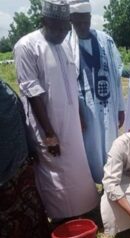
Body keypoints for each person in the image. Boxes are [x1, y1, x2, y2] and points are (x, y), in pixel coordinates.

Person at [13, 0, 98, 221]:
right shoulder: (27, 46)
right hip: (48, 124)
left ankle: (87, 210)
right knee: (56, 172)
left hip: (71, 122)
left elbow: (72, 84)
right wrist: (49, 134)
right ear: (44, 21)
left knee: (78, 167)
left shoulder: (65, 45)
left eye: (65, 27)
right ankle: (64, 220)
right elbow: (32, 91)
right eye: (56, 27)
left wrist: (79, 114)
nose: (61, 32)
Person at [68, 0, 125, 184]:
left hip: (108, 107)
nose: (83, 26)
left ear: (91, 18)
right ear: (71, 20)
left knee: (110, 146)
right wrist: (76, 114)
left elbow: (117, 73)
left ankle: (111, 184)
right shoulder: (67, 45)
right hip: (85, 112)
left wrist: (121, 107)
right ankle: (93, 188)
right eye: (78, 22)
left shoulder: (105, 40)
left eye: (86, 21)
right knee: (89, 149)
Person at [0, 78, 50, 238]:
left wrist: (30, 146)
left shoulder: (4, 89)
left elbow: (21, 116)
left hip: (19, 157)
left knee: (27, 203)